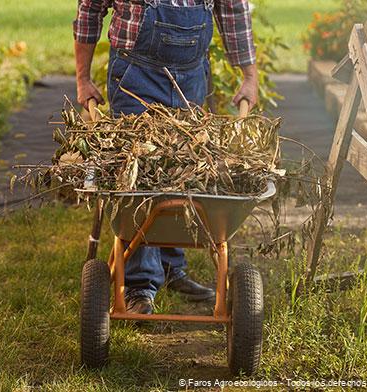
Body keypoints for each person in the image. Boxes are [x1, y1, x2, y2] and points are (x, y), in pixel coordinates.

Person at [74, 0, 259, 314]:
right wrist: (83, 78)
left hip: (191, 76)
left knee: (183, 168)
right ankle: (139, 284)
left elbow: (232, 9)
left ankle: (172, 267)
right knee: (141, 176)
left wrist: (249, 77)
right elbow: (90, 9)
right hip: (135, 76)